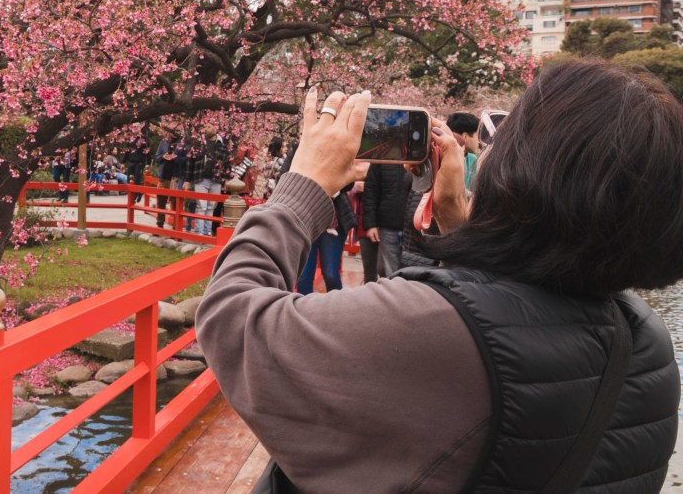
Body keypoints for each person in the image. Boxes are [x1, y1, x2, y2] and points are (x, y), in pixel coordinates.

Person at [197, 62, 682, 493]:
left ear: (532, 170)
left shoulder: (427, 328)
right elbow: (522, 305)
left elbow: (231, 319)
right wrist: (459, 221)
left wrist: (305, 180)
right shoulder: (647, 341)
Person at [361, 162, 409, 277]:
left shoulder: (420, 155)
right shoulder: (383, 157)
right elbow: (371, 191)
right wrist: (370, 224)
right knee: (391, 273)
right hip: (388, 226)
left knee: (412, 273)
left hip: (414, 228)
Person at [446, 111, 481, 192]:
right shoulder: (444, 159)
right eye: (477, 136)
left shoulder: (473, 159)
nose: (479, 141)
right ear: (465, 136)